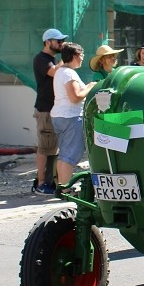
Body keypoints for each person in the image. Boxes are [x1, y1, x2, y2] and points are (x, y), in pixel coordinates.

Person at [51, 43, 96, 185]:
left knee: (64, 154)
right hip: (71, 117)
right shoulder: (69, 73)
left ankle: (61, 186)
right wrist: (90, 87)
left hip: (60, 116)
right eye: (81, 55)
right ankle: (65, 188)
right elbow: (75, 97)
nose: (83, 58)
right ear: (74, 56)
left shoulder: (60, 71)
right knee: (69, 156)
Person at [32, 28, 65, 195]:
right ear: (47, 42)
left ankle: (49, 181)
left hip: (54, 109)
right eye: (58, 41)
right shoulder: (41, 59)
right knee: (45, 147)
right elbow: (54, 72)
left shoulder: (52, 59)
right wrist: (65, 58)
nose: (61, 44)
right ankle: (41, 183)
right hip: (45, 110)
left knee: (53, 148)